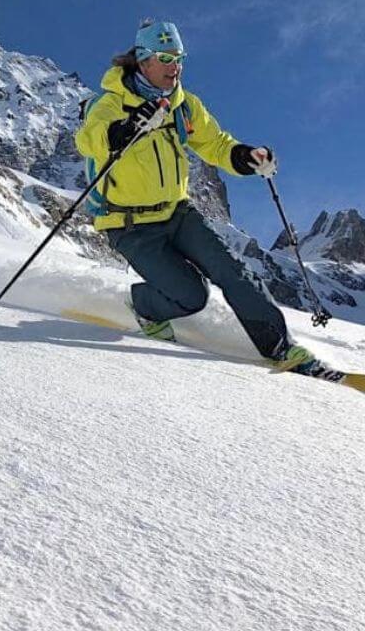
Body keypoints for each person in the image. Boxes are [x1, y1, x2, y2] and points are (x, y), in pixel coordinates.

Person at [74, 19, 317, 372]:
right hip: (130, 224)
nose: (176, 67)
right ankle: (143, 304)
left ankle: (281, 349)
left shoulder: (184, 106)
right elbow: (89, 139)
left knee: (235, 272)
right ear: (144, 61)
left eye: (179, 57)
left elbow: (215, 144)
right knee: (191, 298)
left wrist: (245, 157)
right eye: (166, 58)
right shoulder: (111, 103)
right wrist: (125, 130)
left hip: (177, 213)